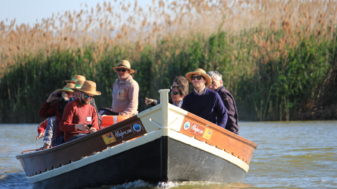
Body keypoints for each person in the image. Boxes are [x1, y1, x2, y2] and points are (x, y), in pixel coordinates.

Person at [38, 82, 75, 149]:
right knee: (52, 119)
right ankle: (47, 144)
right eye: (66, 93)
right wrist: (48, 101)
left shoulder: (78, 103)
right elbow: (43, 113)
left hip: (74, 134)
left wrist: (66, 101)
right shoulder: (58, 104)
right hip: (60, 137)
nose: (68, 95)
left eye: (70, 93)